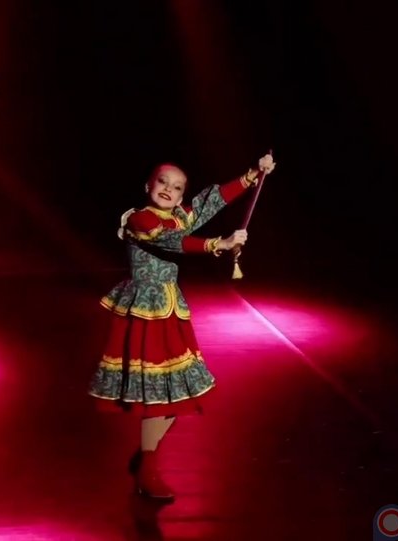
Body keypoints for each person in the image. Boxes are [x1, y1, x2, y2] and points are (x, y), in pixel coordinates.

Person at [88, 153, 276, 500]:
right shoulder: (140, 219)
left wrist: (252, 174)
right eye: (162, 182)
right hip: (145, 313)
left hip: (172, 312)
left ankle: (146, 458)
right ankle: (147, 468)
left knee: (180, 393)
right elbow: (170, 240)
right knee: (158, 396)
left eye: (177, 188)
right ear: (148, 185)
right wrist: (218, 243)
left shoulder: (178, 216)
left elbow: (210, 202)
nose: (168, 189)